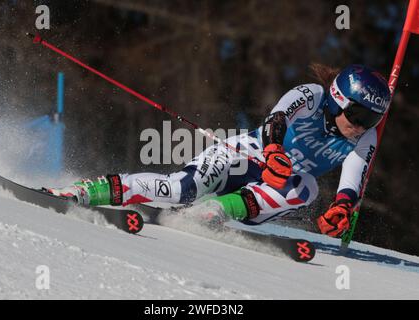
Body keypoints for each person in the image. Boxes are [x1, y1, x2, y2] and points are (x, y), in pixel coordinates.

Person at [46, 64, 391, 238]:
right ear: (338, 99)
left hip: (269, 190)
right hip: (244, 155)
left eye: (373, 118)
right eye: (359, 114)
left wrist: (343, 209)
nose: (363, 125)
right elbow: (278, 117)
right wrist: (273, 152)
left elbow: (352, 181)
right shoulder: (314, 95)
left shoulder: (364, 139)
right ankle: (84, 192)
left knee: (306, 188)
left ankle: (214, 211)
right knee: (182, 189)